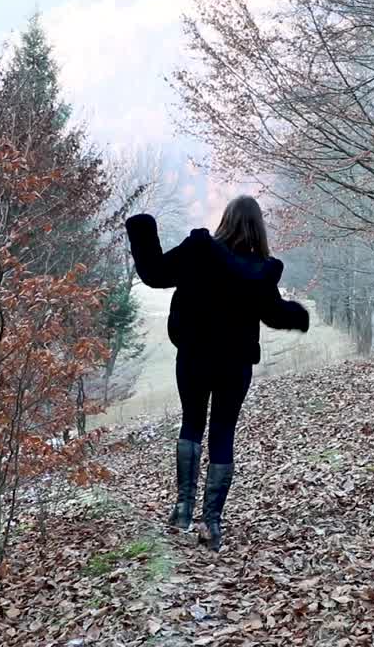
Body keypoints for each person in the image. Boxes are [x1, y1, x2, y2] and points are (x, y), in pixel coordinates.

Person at [125, 196, 309, 552]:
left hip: (193, 357)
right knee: (223, 432)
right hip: (234, 364)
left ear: (226, 220)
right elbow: (274, 314)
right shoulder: (260, 270)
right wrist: (299, 315)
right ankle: (211, 524)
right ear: (258, 227)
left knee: (192, 424)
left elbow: (155, 273)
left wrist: (142, 228)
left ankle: (182, 511)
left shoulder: (198, 250)